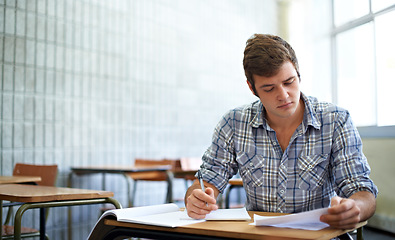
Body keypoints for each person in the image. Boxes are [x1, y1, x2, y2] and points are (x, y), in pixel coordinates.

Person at [184, 34, 378, 229]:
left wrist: (355, 208)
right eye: (269, 88)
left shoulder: (336, 120)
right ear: (252, 88)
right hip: (261, 236)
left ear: (298, 72)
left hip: (319, 236)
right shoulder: (233, 123)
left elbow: (361, 190)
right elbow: (207, 181)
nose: (283, 95)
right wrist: (197, 199)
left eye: (289, 82)